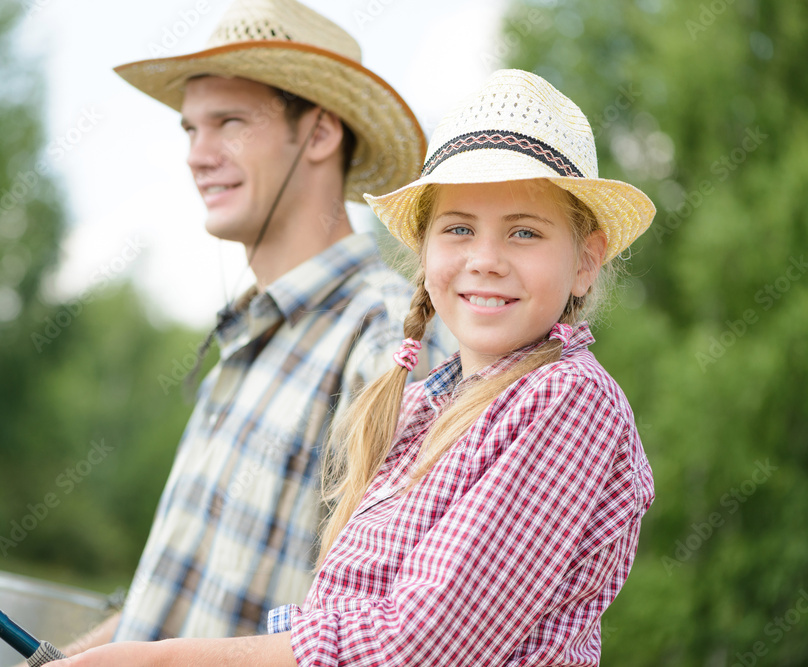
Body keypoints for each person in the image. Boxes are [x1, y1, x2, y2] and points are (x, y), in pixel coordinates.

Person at [52, 68, 658, 666]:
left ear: (586, 261)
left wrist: (164, 661)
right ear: (424, 252)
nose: (486, 260)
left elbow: (420, 642)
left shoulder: (569, 400)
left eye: (525, 232)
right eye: (459, 229)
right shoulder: (424, 405)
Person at [57, 0, 448, 654]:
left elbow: (383, 638)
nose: (197, 155)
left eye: (230, 122)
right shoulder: (247, 339)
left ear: (321, 133)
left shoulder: (386, 342)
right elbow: (170, 606)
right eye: (190, 130)